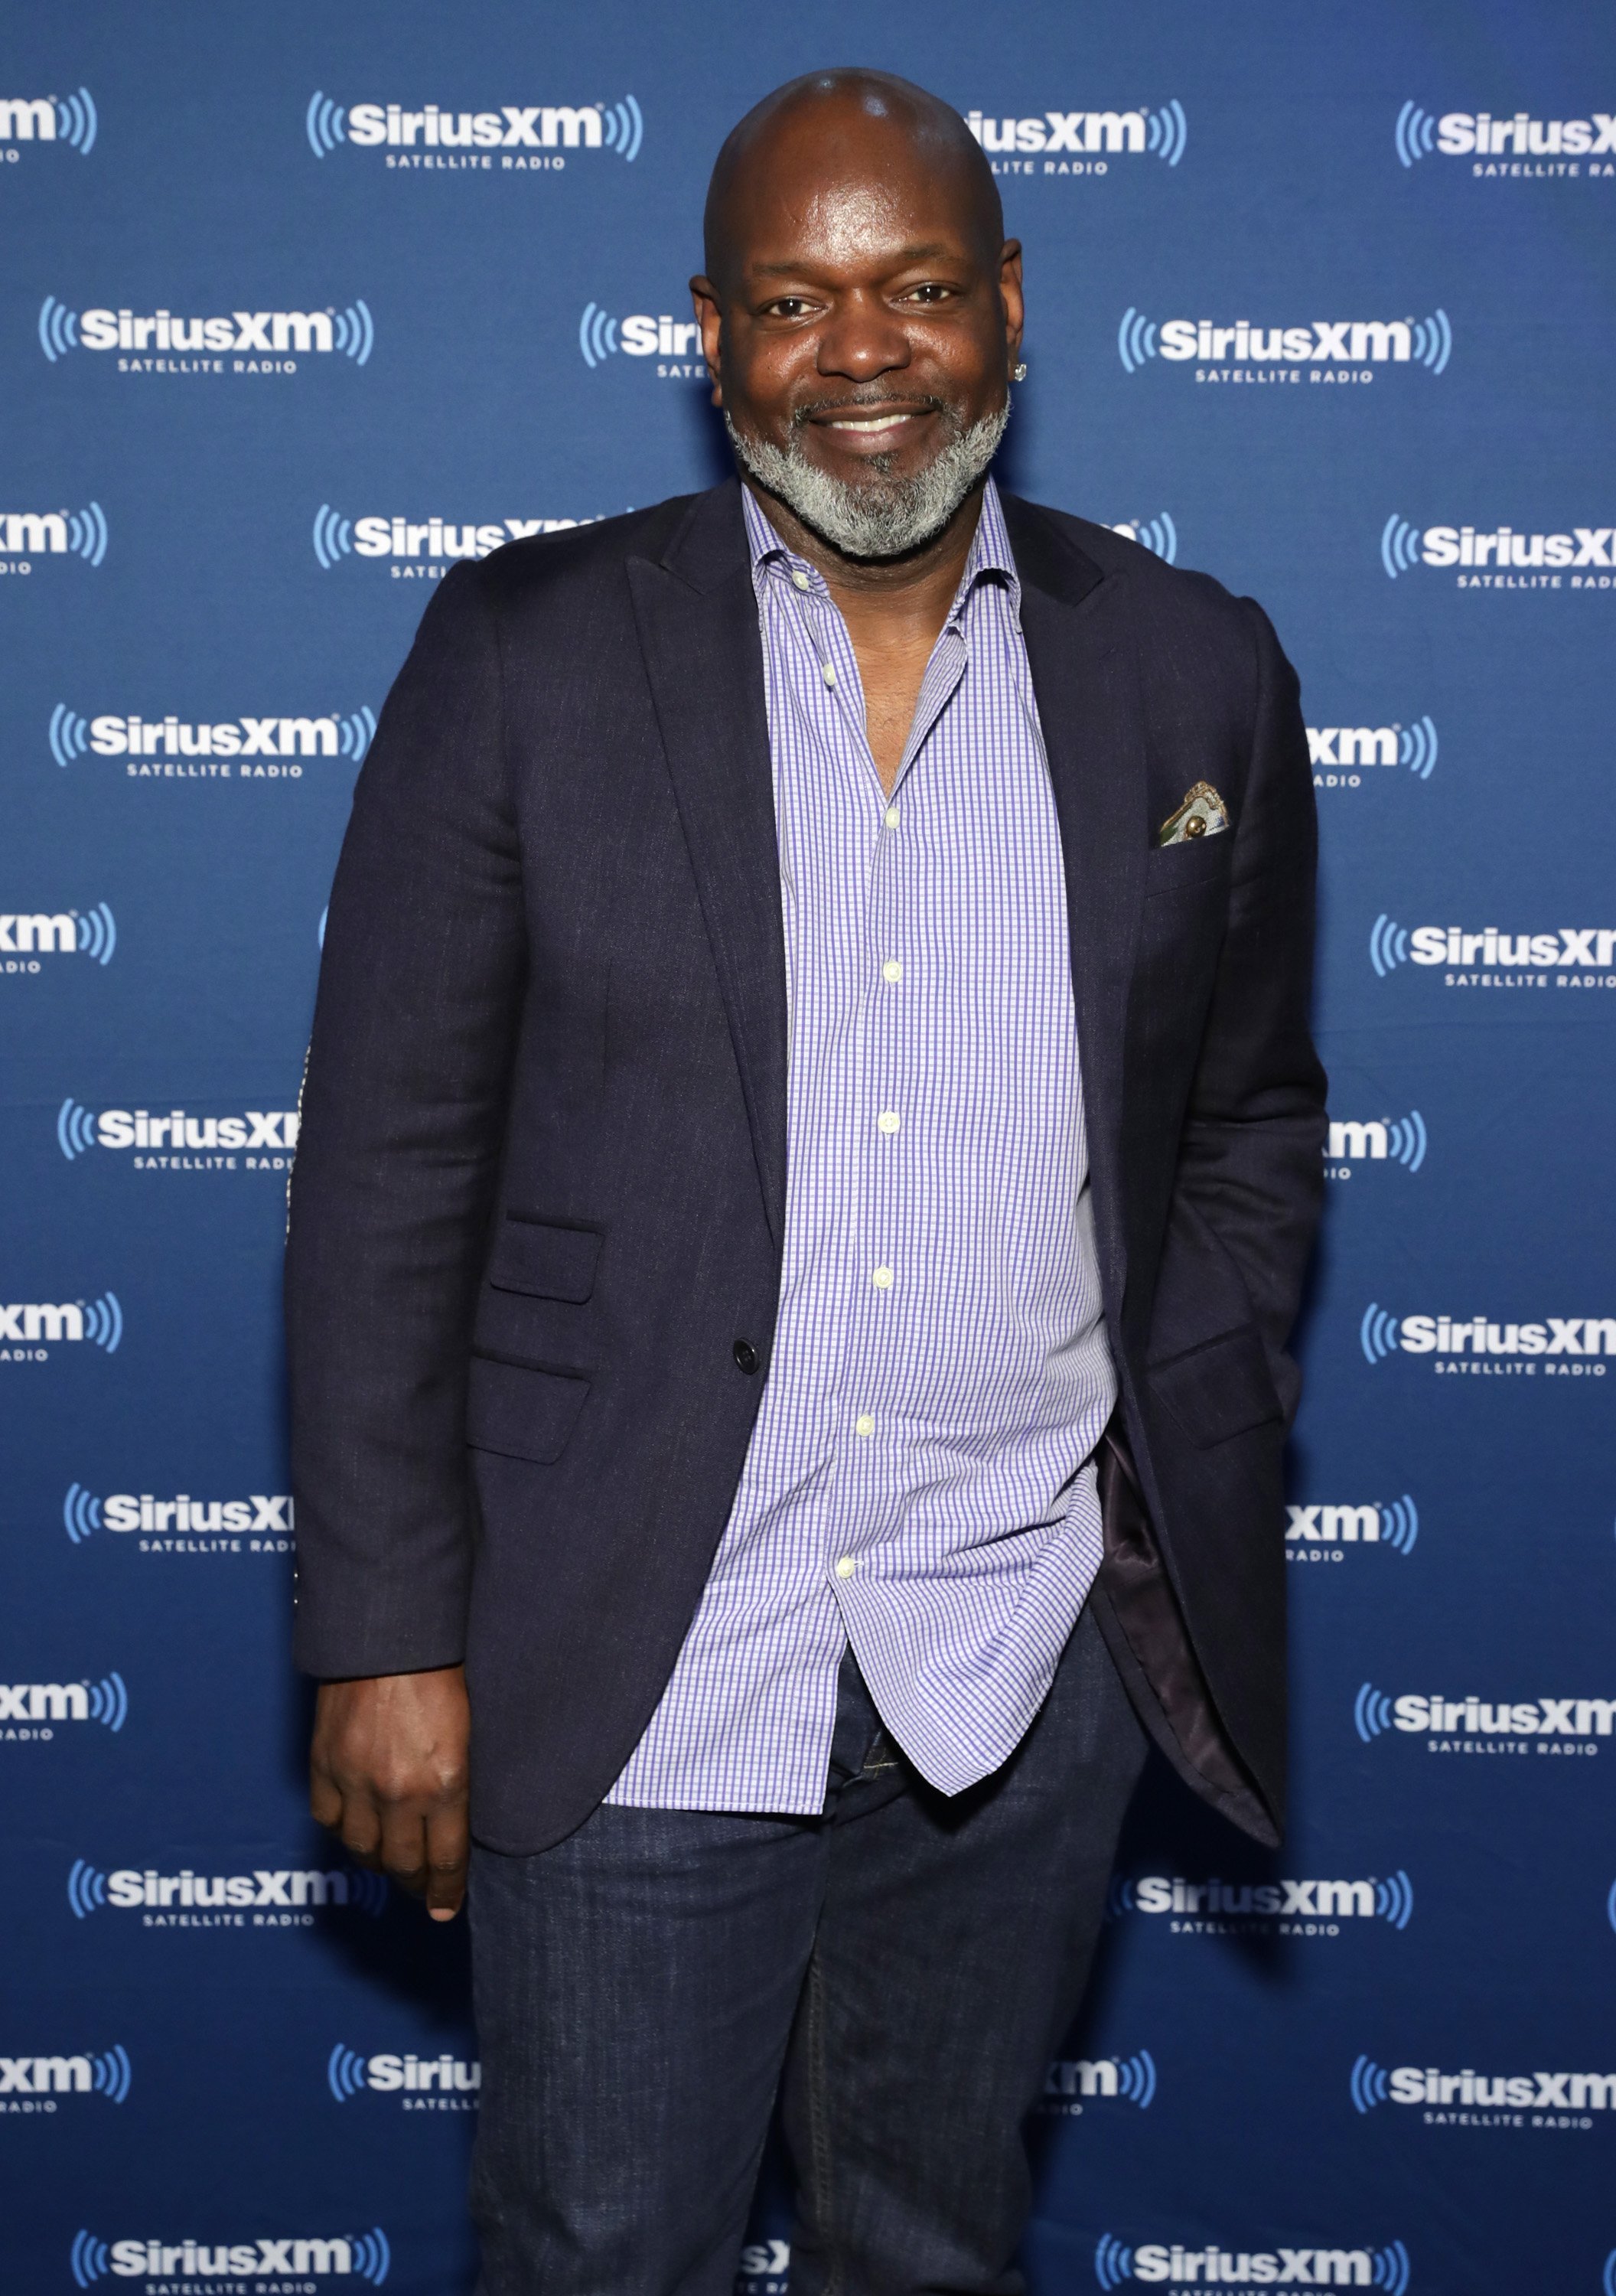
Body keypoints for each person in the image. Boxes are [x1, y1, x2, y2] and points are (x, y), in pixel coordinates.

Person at [288, 67, 1325, 2296]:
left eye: (921, 287)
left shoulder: (1196, 675)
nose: (864, 354)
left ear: (1012, 313)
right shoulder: (524, 655)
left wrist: (1163, 1436)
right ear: (710, 332)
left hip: (1011, 1665)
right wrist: (385, 1630)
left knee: (934, 2247)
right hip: (647, 1647)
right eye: (796, 299)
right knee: (601, 2256)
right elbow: (385, 1177)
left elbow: (1242, 1119)